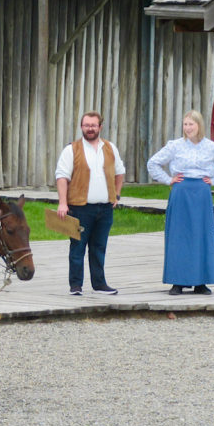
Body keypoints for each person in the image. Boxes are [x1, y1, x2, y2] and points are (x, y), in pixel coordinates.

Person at [146, 110, 214, 296]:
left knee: (201, 236)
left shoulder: (212, 147)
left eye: (191, 124)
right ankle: (177, 281)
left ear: (199, 125)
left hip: (201, 193)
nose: (187, 128)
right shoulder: (175, 146)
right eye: (185, 125)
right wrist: (168, 179)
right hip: (181, 192)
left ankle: (201, 282)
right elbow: (152, 163)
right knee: (179, 236)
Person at [55, 111, 125, 296]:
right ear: (81, 127)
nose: (90, 128)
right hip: (79, 208)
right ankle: (76, 286)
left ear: (100, 127)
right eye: (86, 125)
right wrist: (63, 203)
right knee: (77, 247)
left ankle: (100, 285)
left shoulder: (110, 148)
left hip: (105, 208)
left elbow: (120, 172)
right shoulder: (71, 150)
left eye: (93, 125)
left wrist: (116, 195)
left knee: (99, 247)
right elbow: (62, 177)